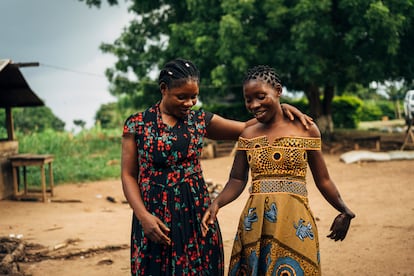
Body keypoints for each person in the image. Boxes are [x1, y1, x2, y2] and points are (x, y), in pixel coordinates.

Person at [121, 58, 313, 275]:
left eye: (194, 97)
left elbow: (245, 127)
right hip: (154, 217)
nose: (189, 103)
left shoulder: (200, 120)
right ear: (163, 89)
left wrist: (280, 107)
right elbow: (128, 175)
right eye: (181, 97)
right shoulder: (137, 124)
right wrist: (143, 216)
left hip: (196, 215)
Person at [201, 65, 356, 275]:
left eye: (261, 96)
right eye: (249, 99)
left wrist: (344, 210)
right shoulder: (248, 133)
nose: (254, 104)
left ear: (278, 91)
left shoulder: (306, 129)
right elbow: (237, 179)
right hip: (255, 224)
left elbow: (323, 180)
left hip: (295, 222)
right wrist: (216, 204)